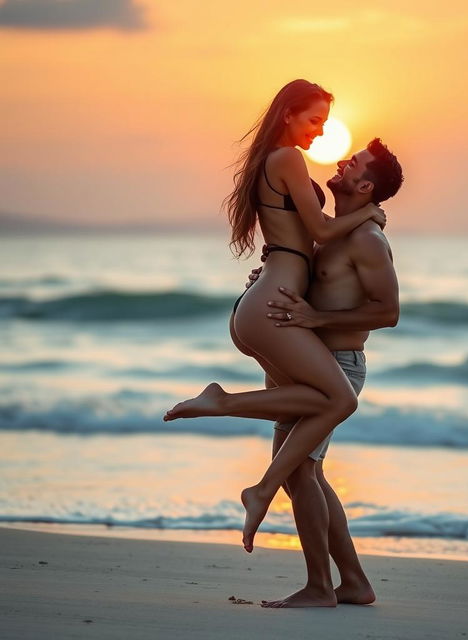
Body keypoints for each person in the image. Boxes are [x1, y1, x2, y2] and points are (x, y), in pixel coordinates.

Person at [164, 79, 386, 555]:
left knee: (313, 413)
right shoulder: (287, 158)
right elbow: (321, 228)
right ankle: (225, 414)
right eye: (314, 120)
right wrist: (370, 216)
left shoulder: (277, 160)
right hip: (270, 307)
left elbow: (302, 237)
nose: (319, 132)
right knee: (339, 400)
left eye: (325, 123)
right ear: (288, 114)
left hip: (266, 302)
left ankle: (342, 576)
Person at [250, 139, 403, 608]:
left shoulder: (367, 240)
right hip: (312, 365)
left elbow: (388, 311)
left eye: (352, 163)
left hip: (338, 368)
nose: (341, 162)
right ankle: (352, 582)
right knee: (305, 474)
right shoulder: (333, 235)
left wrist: (317, 321)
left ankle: (322, 587)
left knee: (302, 473)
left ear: (364, 185)